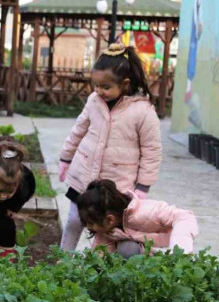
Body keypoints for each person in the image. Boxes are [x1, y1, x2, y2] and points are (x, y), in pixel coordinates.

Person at [58, 43, 162, 251]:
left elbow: (152, 151)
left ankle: (104, 269)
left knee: (109, 231)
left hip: (116, 186)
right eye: (96, 85)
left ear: (125, 83)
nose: (99, 91)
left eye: (105, 87)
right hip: (83, 178)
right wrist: (66, 158)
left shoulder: (143, 111)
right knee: (74, 221)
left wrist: (143, 186)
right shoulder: (93, 101)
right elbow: (78, 130)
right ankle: (62, 261)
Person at [76, 180, 199, 257]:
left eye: (90, 223)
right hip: (148, 256)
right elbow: (99, 255)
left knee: (128, 249)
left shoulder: (147, 212)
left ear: (110, 219)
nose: (88, 227)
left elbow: (185, 216)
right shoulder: (106, 229)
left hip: (170, 251)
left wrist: (179, 253)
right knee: (127, 249)